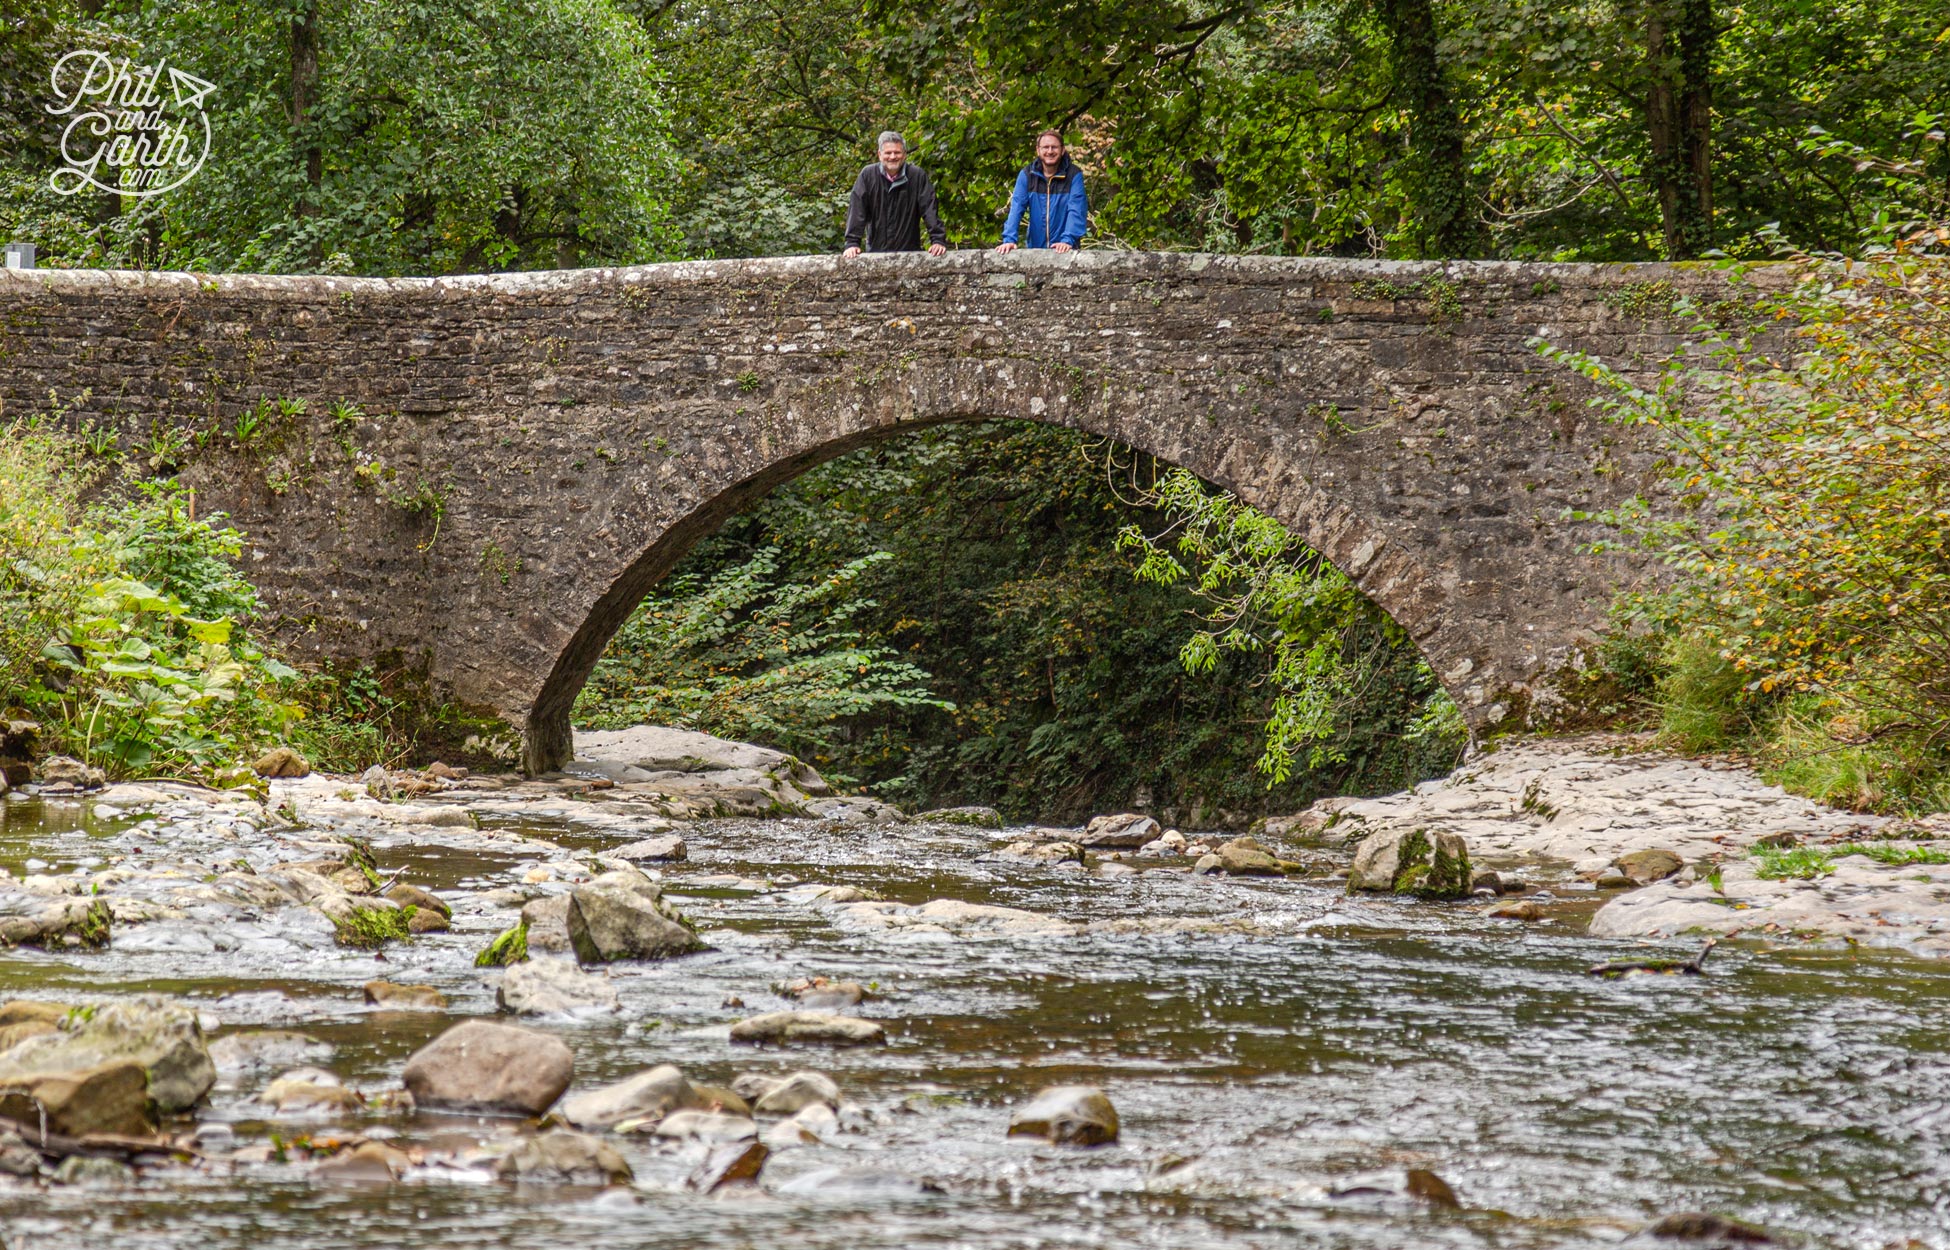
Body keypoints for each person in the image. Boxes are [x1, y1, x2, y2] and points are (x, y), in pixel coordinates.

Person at [842, 132, 948, 257]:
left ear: (904, 155)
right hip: (876, 253)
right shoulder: (868, 176)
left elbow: (930, 209)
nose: (892, 157)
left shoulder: (917, 176)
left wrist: (937, 241)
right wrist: (852, 243)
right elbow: (857, 210)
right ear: (880, 155)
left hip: (910, 254)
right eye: (888, 153)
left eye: (897, 152)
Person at [995, 130, 1087, 254]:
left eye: (1054, 147)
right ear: (1038, 150)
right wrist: (1009, 240)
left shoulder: (1074, 175)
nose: (1050, 151)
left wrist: (1067, 240)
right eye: (1045, 147)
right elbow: (1017, 208)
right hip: (1035, 250)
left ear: (1062, 150)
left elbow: (1076, 210)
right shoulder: (1027, 175)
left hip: (1066, 250)